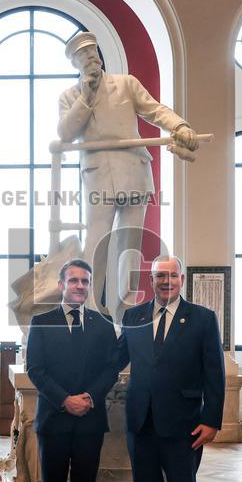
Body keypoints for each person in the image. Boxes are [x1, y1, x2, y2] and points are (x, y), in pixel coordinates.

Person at [57, 32, 199, 319]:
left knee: (129, 245)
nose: (91, 58)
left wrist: (179, 126)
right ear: (75, 63)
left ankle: (125, 312)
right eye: (83, 55)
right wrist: (85, 97)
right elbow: (66, 134)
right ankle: (91, 310)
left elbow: (155, 110)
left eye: (92, 51)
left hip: (132, 170)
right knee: (96, 244)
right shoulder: (70, 97)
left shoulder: (125, 84)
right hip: (97, 176)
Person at [115, 255, 225, 482]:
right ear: (151, 281)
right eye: (160, 276)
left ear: (181, 280)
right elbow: (115, 359)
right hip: (141, 423)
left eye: (172, 276)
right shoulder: (134, 316)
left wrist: (212, 420)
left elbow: (214, 374)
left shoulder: (203, 319)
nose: (166, 281)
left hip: (184, 425)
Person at [25, 259, 121, 482]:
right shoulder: (41, 322)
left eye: (85, 281)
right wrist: (64, 400)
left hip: (89, 422)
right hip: (53, 420)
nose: (80, 286)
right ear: (61, 285)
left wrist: (90, 398)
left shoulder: (102, 325)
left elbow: (110, 369)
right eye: (74, 280)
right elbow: (35, 369)